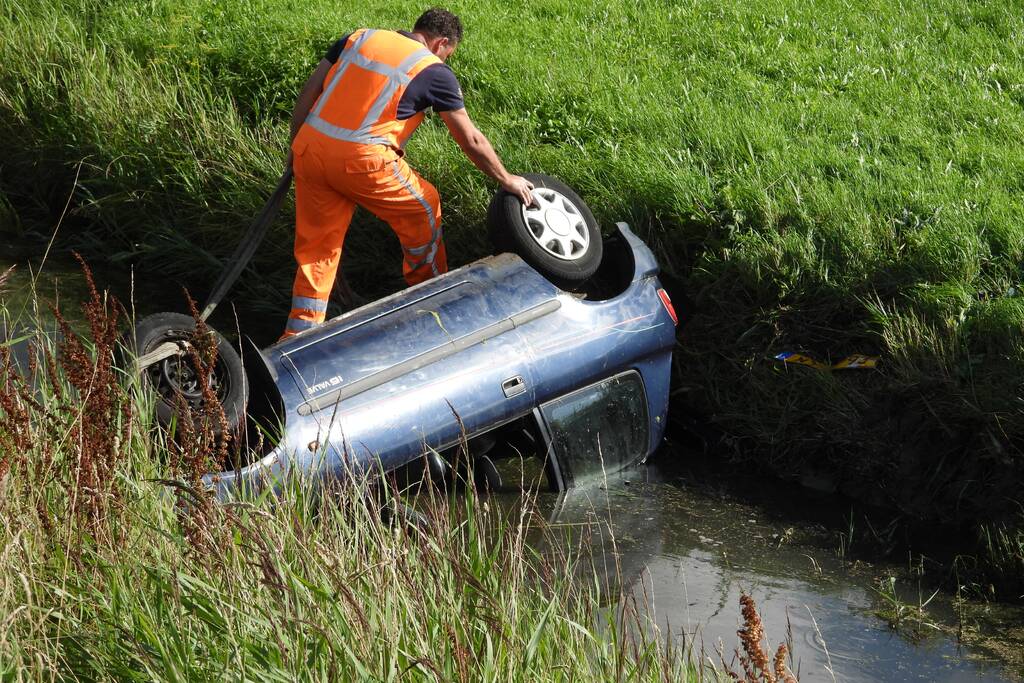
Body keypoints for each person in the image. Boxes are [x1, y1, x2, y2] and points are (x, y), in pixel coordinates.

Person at [281, 8, 534, 337]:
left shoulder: (358, 38)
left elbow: (310, 91)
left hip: (310, 150)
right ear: (441, 42)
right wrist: (506, 178)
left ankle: (297, 337)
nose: (446, 61)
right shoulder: (432, 69)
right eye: (448, 54)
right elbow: (470, 138)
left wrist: (295, 147)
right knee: (425, 206)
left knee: (317, 250)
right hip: (362, 160)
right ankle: (433, 299)